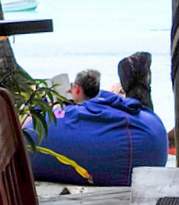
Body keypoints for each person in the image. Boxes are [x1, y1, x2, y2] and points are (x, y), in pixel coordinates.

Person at [26, 65, 168, 186]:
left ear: (76, 90)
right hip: (152, 156)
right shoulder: (115, 108)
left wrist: (55, 107)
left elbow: (39, 124)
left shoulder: (71, 115)